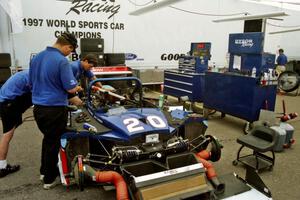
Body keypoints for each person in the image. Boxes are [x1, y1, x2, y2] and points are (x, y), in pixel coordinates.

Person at [29, 32, 82, 189]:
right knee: (54, 142)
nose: (69, 54)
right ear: (68, 46)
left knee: (48, 139)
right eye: (70, 51)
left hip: (38, 108)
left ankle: (44, 172)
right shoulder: (61, 61)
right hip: (54, 108)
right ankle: (49, 180)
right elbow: (71, 88)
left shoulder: (37, 57)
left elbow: (30, 83)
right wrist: (77, 87)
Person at [0, 70, 32, 178]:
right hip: (7, 103)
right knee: (7, 135)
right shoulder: (31, 77)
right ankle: (2, 167)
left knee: (8, 134)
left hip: (6, 101)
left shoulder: (27, 73)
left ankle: (2, 165)